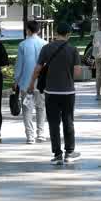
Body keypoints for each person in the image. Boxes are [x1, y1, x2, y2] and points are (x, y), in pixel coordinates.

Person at [32, 24, 81, 165]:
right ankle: (69, 152)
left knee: (53, 123)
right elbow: (77, 73)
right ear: (69, 34)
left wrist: (31, 84)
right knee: (68, 121)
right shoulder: (73, 50)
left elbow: (37, 69)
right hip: (68, 91)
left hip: (50, 92)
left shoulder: (46, 48)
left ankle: (57, 154)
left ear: (55, 32)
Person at [12, 20, 47, 144]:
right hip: (42, 82)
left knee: (27, 108)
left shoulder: (23, 45)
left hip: (26, 82)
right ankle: (41, 133)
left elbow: (19, 66)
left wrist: (16, 80)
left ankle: (30, 136)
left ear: (28, 30)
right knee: (41, 107)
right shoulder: (45, 44)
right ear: (39, 30)